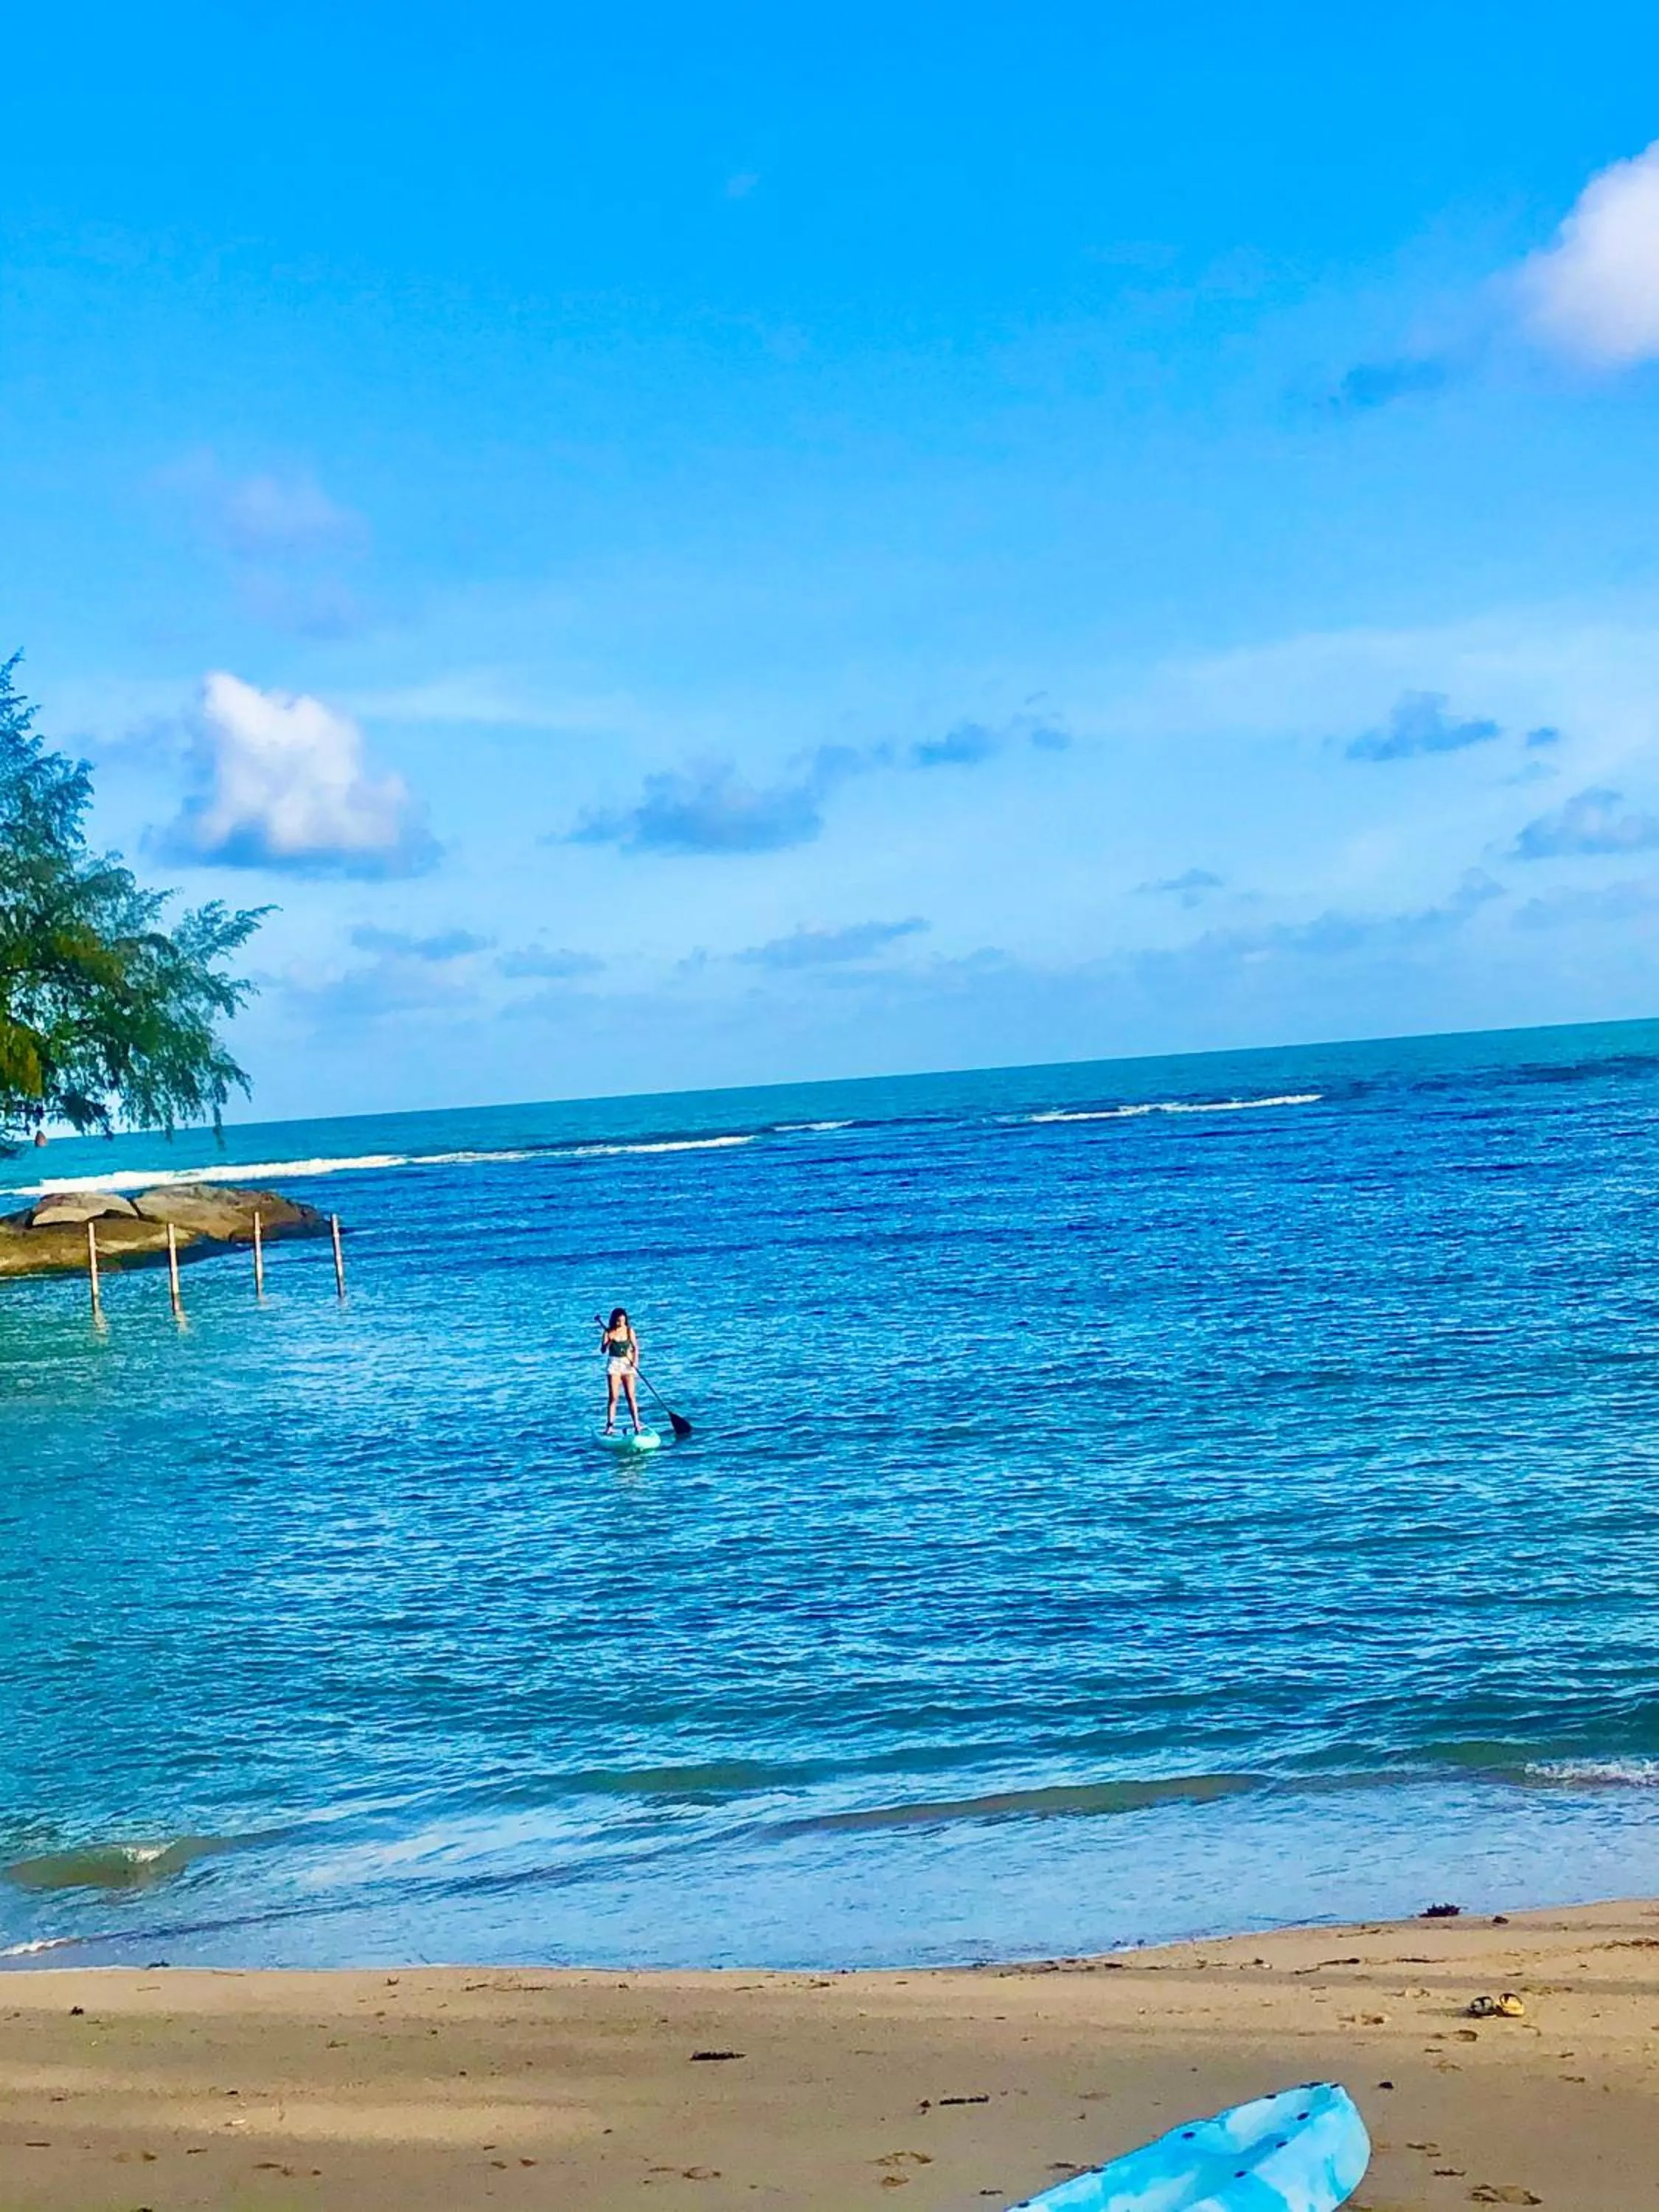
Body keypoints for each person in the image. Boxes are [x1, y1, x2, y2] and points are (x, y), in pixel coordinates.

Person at [599, 1307, 643, 1435]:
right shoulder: (608, 1332)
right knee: (613, 1396)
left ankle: (637, 1425)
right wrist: (608, 1341)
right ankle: (610, 1426)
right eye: (618, 1321)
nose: (620, 1324)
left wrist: (635, 1362)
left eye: (623, 1321)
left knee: (631, 1396)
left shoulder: (630, 1331)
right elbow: (603, 1351)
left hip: (627, 1364)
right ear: (614, 1320)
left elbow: (635, 1348)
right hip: (614, 1365)